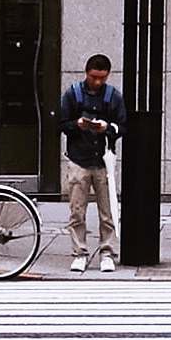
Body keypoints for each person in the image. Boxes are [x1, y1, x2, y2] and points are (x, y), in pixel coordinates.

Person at [54, 53, 123, 272]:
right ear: (86, 73)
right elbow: (61, 124)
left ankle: (107, 252)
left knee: (108, 211)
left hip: (102, 160)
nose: (98, 82)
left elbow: (123, 125)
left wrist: (108, 128)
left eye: (102, 78)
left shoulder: (113, 96)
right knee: (77, 210)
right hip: (80, 159)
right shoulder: (72, 94)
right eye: (94, 77)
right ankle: (80, 252)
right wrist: (77, 125)